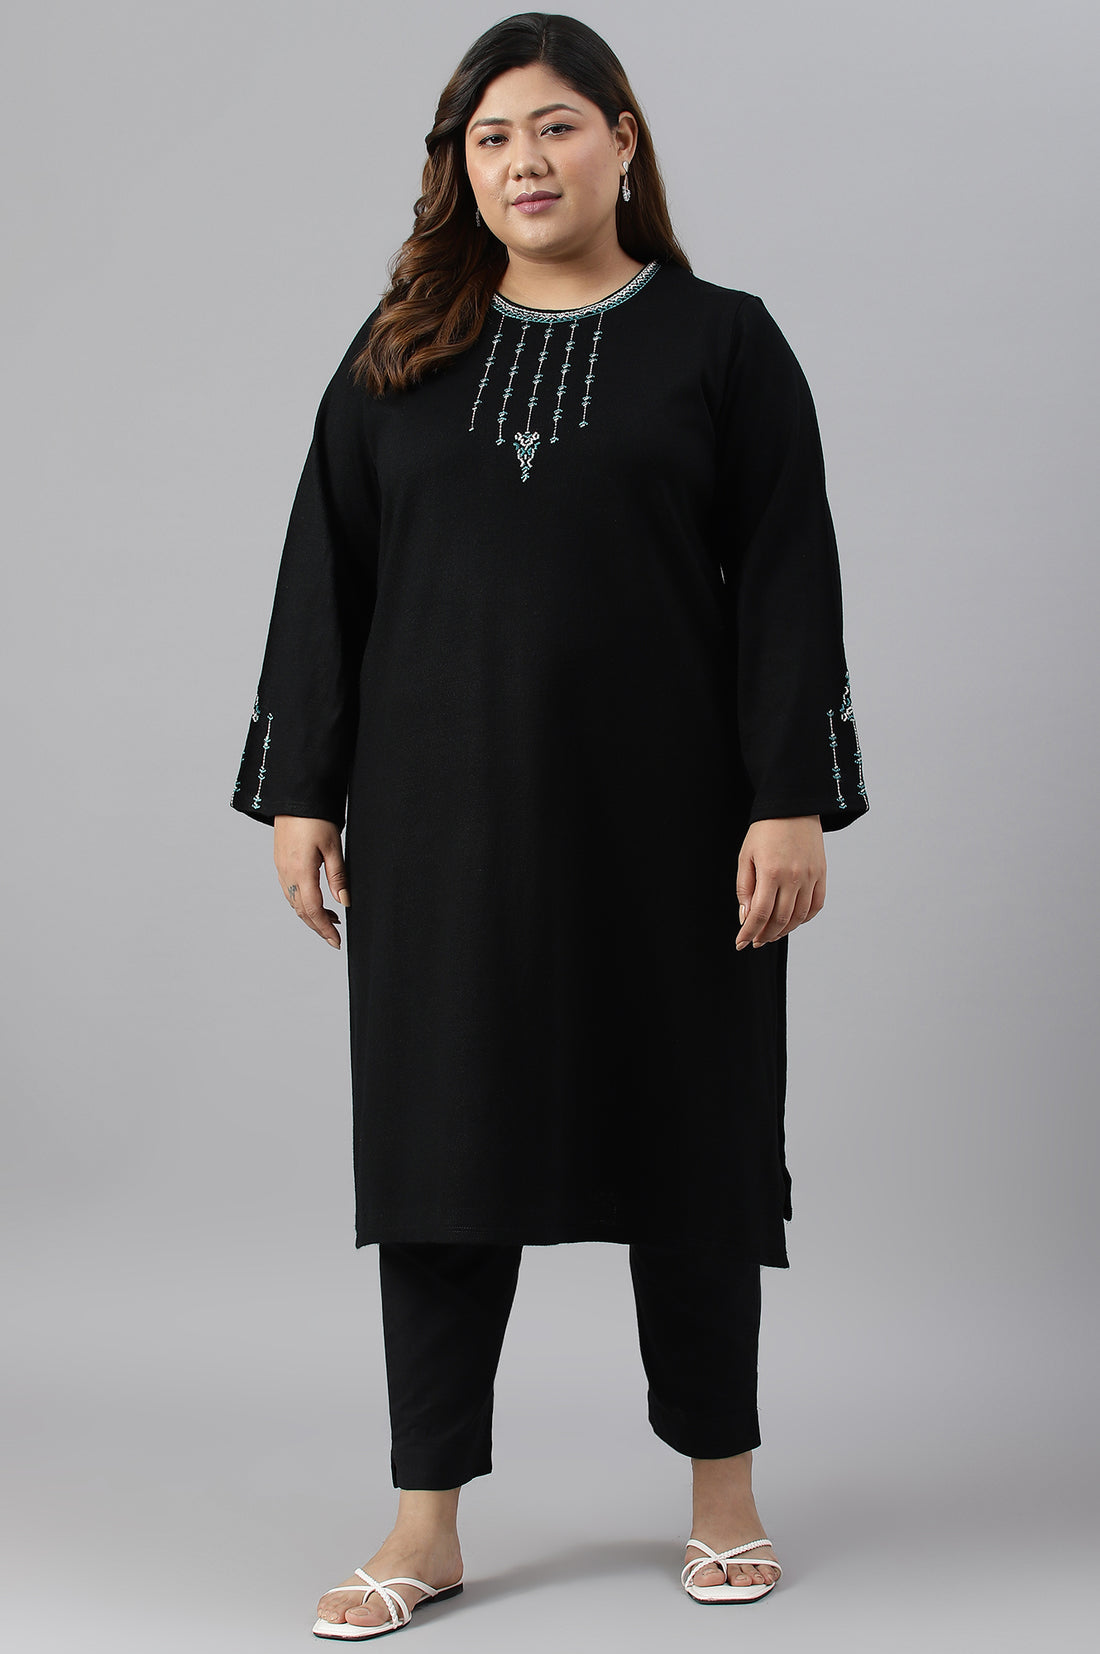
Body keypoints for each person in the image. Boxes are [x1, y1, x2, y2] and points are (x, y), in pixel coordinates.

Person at [230, 11, 869, 1637]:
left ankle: (723, 1493)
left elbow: (786, 573)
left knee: (695, 1147)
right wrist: (303, 786)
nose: (525, 160)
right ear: (461, 167)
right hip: (442, 835)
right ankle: (426, 1520)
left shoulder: (724, 344)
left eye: (557, 126)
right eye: (491, 137)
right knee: (441, 1157)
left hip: (672, 836)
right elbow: (324, 574)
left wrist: (789, 797)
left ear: (624, 142)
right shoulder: (398, 352)